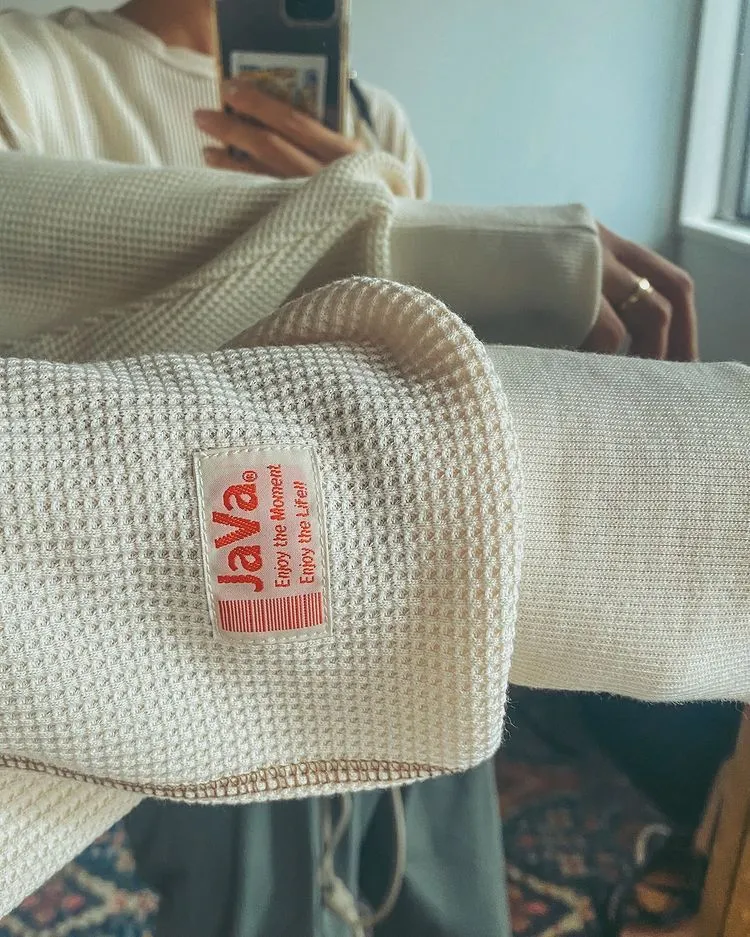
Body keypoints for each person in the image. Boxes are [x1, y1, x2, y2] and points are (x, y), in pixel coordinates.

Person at [0, 5, 737, 937]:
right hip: (161, 629)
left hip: (403, 581)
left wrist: (379, 217)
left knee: (450, 687)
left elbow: (418, 364)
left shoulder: (373, 120)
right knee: (258, 756)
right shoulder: (29, 68)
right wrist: (360, 231)